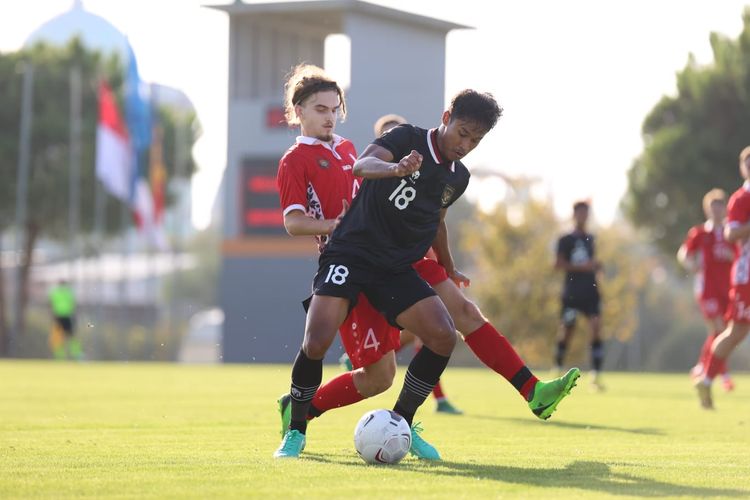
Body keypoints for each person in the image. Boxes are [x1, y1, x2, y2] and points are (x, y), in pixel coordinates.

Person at [274, 84, 580, 460]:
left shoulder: (458, 177)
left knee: (441, 335)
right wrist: (395, 168)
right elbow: (362, 166)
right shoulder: (405, 138)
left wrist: (449, 267)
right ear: (446, 118)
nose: (466, 144)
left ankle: (400, 422)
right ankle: (296, 429)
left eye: (476, 140)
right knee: (318, 339)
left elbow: (437, 219)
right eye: (463, 133)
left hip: (395, 266)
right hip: (351, 253)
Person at [695, 146, 750, 409]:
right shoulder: (741, 199)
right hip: (746, 276)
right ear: (742, 168)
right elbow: (731, 234)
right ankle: (706, 379)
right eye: (748, 163)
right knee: (736, 332)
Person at [677, 189, 736, 391]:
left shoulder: (731, 232)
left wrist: (732, 256)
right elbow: (684, 253)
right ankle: (723, 375)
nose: (717, 211)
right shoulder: (700, 233)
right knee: (719, 330)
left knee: (720, 333)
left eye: (720, 206)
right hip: (707, 289)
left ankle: (702, 366)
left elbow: (740, 255)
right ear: (707, 210)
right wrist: (690, 264)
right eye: (713, 207)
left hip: (730, 289)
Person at [554, 201, 604, 390]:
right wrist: (581, 268)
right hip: (572, 293)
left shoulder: (591, 238)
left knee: (596, 327)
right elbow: (558, 264)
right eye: (580, 213)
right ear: (574, 215)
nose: (583, 217)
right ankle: (558, 368)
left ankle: (596, 375)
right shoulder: (565, 239)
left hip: (591, 292)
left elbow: (590, 262)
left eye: (586, 213)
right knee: (567, 330)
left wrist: (597, 266)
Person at [48, 280, 82, 360]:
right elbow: (73, 304)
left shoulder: (55, 293)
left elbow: (51, 304)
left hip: (60, 317)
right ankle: (75, 355)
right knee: (67, 337)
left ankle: (63, 356)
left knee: (64, 337)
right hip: (64, 317)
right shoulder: (68, 292)